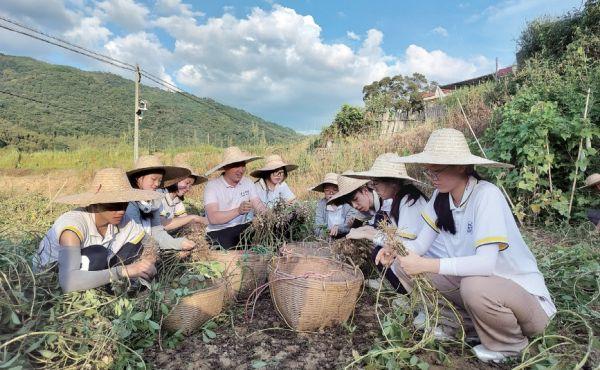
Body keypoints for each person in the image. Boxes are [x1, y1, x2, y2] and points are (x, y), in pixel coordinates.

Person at [348, 128, 556, 363]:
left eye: (437, 170)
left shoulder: (486, 195)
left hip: (526, 305)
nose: (432, 177)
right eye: (429, 171)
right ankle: (461, 325)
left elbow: (486, 264)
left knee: (474, 285)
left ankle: (510, 346)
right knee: (405, 265)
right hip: (483, 293)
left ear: (461, 167)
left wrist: (427, 264)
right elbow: (420, 245)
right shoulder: (440, 198)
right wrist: (396, 251)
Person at [36, 168, 161, 293]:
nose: (121, 211)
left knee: (135, 247)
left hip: (90, 271)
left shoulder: (122, 220)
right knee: (98, 254)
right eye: (113, 205)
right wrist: (124, 271)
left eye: (125, 204)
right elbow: (68, 282)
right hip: (51, 282)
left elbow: (149, 242)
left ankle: (111, 290)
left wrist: (148, 263)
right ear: (95, 203)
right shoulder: (73, 226)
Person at [344, 153, 446, 293]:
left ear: (393, 181)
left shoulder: (410, 201)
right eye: (372, 183)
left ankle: (411, 296)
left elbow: (402, 245)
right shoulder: (398, 200)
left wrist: (369, 235)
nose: (374, 188)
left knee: (393, 259)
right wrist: (368, 232)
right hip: (423, 257)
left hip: (432, 262)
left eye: (376, 183)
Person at [126, 155, 196, 254]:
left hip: (148, 247)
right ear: (139, 179)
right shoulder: (130, 203)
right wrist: (173, 245)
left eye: (159, 180)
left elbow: (157, 231)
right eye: (153, 179)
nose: (157, 184)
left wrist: (178, 243)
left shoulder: (153, 201)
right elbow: (135, 235)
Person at [203, 146, 266, 248]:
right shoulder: (212, 186)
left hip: (241, 229)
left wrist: (271, 216)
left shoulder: (247, 182)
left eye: (243, 166)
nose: (241, 170)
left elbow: (258, 205)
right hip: (218, 232)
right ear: (225, 167)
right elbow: (213, 218)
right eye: (236, 166)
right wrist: (238, 211)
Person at [311, 173, 365, 238]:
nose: (331, 193)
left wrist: (338, 228)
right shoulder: (321, 204)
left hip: (346, 238)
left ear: (340, 191)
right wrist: (327, 232)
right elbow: (318, 226)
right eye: (327, 190)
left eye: (335, 189)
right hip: (327, 239)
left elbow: (349, 225)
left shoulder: (348, 204)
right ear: (324, 191)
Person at [160, 161, 208, 233]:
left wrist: (197, 227)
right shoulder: (160, 196)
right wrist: (194, 217)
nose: (188, 188)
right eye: (187, 183)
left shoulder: (176, 199)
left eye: (190, 185)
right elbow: (164, 224)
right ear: (175, 179)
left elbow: (183, 218)